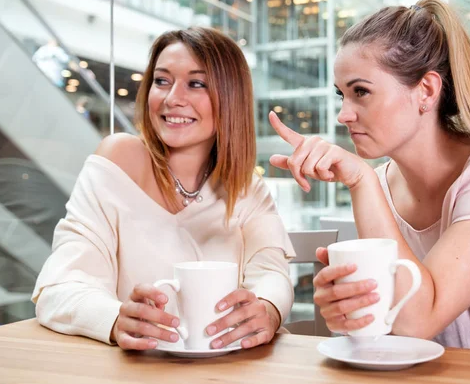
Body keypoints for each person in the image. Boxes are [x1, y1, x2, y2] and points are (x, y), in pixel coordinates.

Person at [268, 0, 470, 356]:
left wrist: (361, 182)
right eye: (342, 94)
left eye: (361, 92)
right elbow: (400, 321)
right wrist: (351, 311)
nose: (344, 114)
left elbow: (420, 319)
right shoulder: (381, 185)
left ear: (426, 91)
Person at [32, 27, 295, 351]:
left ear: (231, 97)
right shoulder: (118, 159)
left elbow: (272, 273)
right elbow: (59, 286)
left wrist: (267, 310)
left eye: (196, 84)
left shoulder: (247, 188)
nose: (172, 99)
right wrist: (116, 319)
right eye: (162, 81)